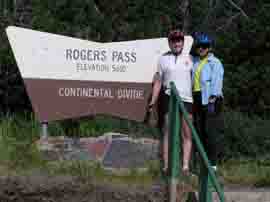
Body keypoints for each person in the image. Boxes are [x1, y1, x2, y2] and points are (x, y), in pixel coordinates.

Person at [149, 29, 193, 174]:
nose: (177, 43)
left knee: (186, 133)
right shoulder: (163, 59)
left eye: (179, 40)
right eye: (174, 40)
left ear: (183, 42)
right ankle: (167, 166)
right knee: (167, 131)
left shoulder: (191, 58)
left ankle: (185, 166)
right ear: (169, 43)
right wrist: (153, 101)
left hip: (187, 99)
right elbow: (158, 81)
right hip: (169, 97)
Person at [192, 32, 224, 170]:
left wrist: (213, 97)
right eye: (199, 46)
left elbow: (217, 80)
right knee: (199, 130)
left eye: (204, 46)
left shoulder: (215, 62)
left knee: (209, 130)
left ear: (209, 48)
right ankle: (202, 160)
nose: (201, 48)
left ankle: (213, 163)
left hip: (211, 99)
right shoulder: (195, 61)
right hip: (198, 97)